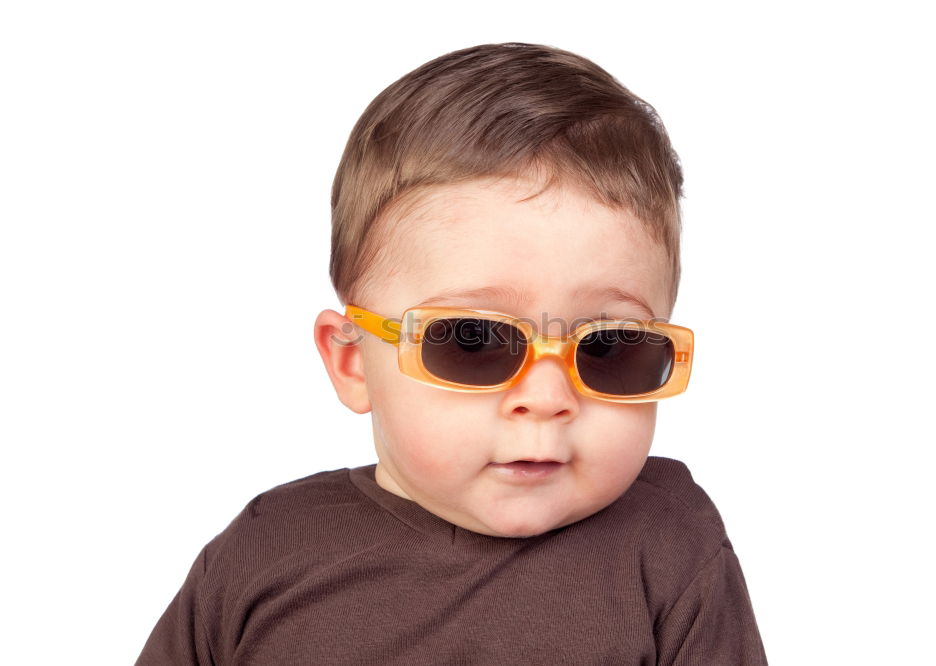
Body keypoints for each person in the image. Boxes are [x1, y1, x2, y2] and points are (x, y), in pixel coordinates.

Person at [137, 42, 768, 665]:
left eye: (610, 347)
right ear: (352, 360)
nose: (547, 400)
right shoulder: (269, 550)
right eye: (472, 340)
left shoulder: (670, 543)